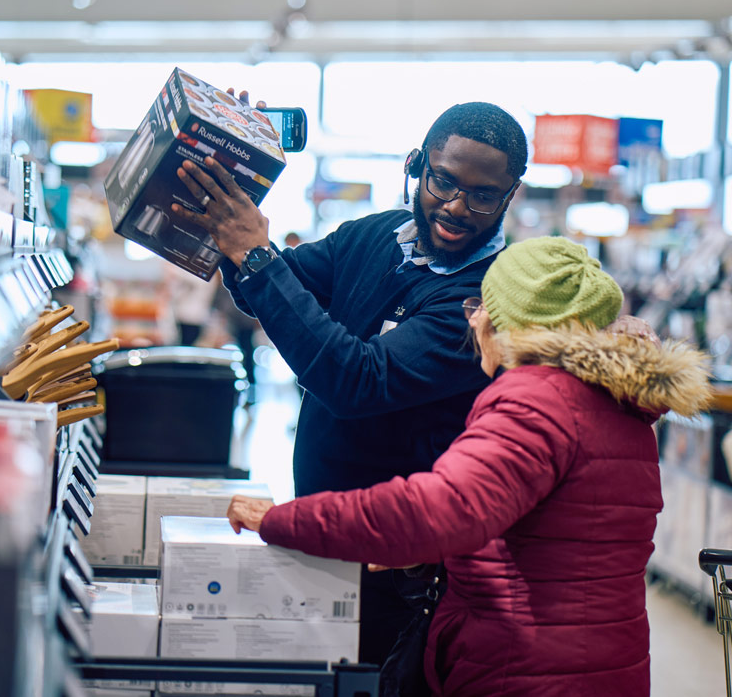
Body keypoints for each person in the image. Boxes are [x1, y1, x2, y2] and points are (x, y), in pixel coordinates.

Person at [227, 236, 713, 696]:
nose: (474, 318)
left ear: (513, 326)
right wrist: (437, 556)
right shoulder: (612, 403)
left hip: (523, 674)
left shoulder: (537, 402)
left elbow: (438, 512)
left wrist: (282, 520)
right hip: (591, 667)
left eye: (483, 306)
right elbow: (552, 537)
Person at [172, 99, 528, 665]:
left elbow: (357, 382)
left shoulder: (484, 300)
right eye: (443, 182)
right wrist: (235, 177)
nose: (456, 207)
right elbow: (274, 286)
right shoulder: (377, 235)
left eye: (483, 195)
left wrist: (255, 254)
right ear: (416, 165)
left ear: (510, 196)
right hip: (327, 534)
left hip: (402, 570)